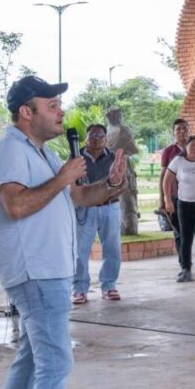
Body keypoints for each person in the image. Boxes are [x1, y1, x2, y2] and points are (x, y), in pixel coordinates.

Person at [0, 75, 123, 389]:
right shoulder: (9, 148)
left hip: (48, 270)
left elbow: (77, 197)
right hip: (37, 272)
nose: (61, 111)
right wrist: (63, 177)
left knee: (32, 359)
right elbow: (15, 205)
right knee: (55, 363)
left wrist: (111, 184)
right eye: (51, 105)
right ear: (27, 112)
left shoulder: (41, 151)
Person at [71, 123, 124, 305]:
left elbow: (122, 183)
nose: (96, 139)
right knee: (80, 250)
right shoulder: (75, 157)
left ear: (106, 139)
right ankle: (79, 289)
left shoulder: (113, 158)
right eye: (92, 136)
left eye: (100, 136)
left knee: (112, 248)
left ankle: (109, 286)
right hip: (85, 209)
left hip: (110, 207)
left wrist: (110, 190)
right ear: (86, 139)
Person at [160, 118, 195, 278]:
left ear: (190, 130)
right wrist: (164, 200)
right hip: (178, 200)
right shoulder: (169, 151)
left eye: (185, 128)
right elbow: (164, 177)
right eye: (178, 129)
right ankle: (185, 267)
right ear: (173, 133)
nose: (182, 132)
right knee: (181, 235)